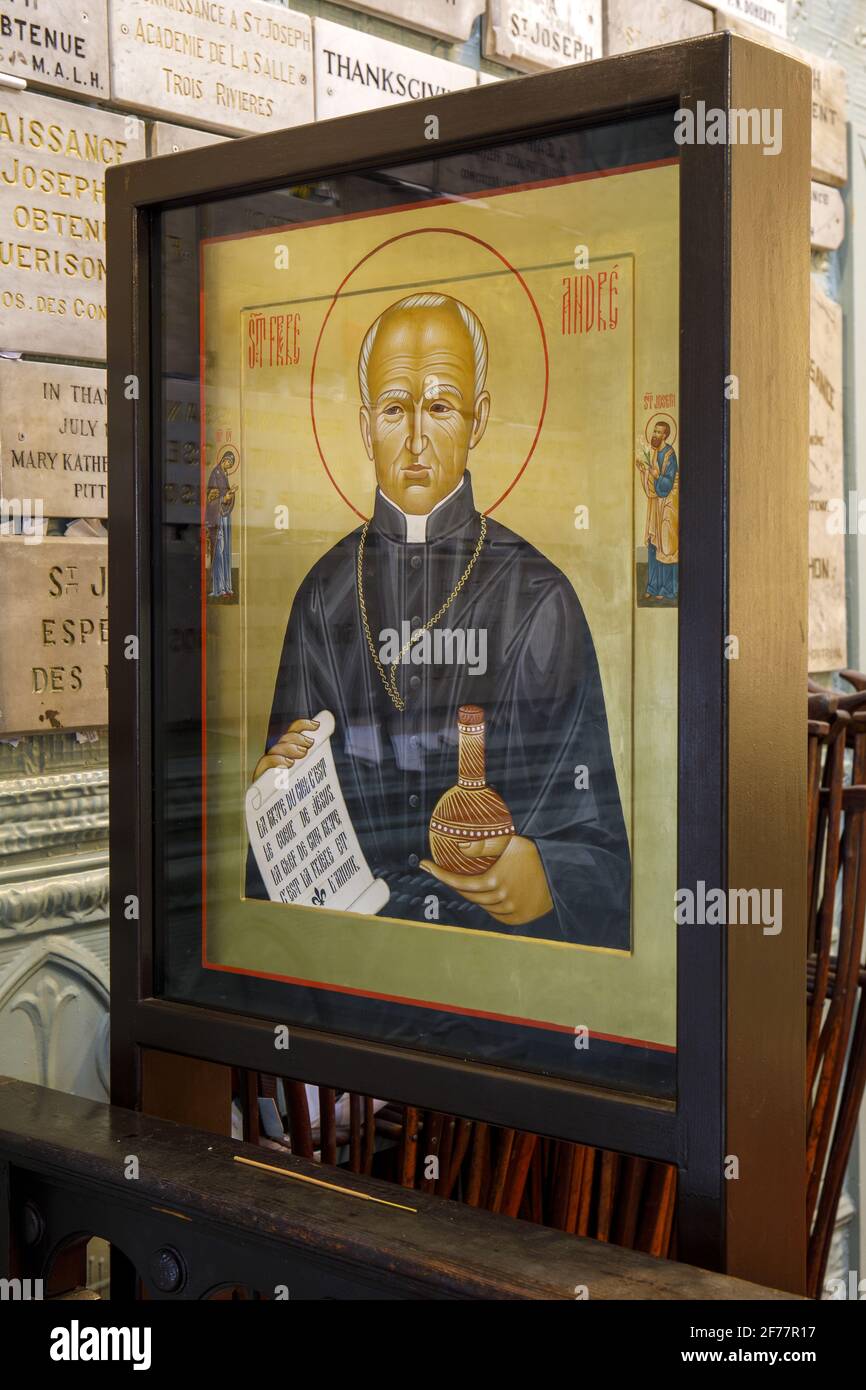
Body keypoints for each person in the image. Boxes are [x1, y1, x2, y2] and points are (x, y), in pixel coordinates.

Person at [247, 292, 630, 947]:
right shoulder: (323, 592)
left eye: (441, 406)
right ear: (366, 424)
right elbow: (284, 841)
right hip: (351, 951)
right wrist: (274, 797)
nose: (417, 440)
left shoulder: (539, 596)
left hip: (489, 961)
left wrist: (545, 873)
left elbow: (598, 848)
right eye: (395, 409)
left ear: (477, 420)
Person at [637, 421, 678, 601]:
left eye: (659, 432)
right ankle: (653, 587)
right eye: (654, 431)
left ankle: (667, 589)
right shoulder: (653, 454)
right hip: (655, 505)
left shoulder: (670, 455)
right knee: (654, 545)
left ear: (665, 435)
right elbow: (651, 486)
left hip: (668, 506)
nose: (654, 434)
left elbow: (667, 484)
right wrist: (643, 471)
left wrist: (656, 475)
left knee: (666, 547)